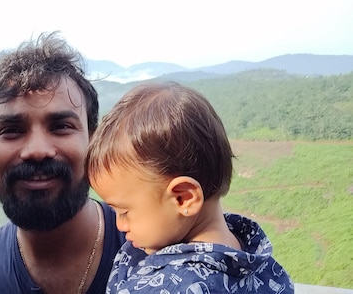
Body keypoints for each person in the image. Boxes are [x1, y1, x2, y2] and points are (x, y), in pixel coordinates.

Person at [86, 81, 294, 293]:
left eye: (124, 212)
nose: (120, 225)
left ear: (184, 198)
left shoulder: (172, 287)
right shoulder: (263, 265)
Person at [0, 31, 125, 294]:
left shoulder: (155, 247)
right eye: (11, 130)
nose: (37, 151)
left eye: (61, 126)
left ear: (94, 145)